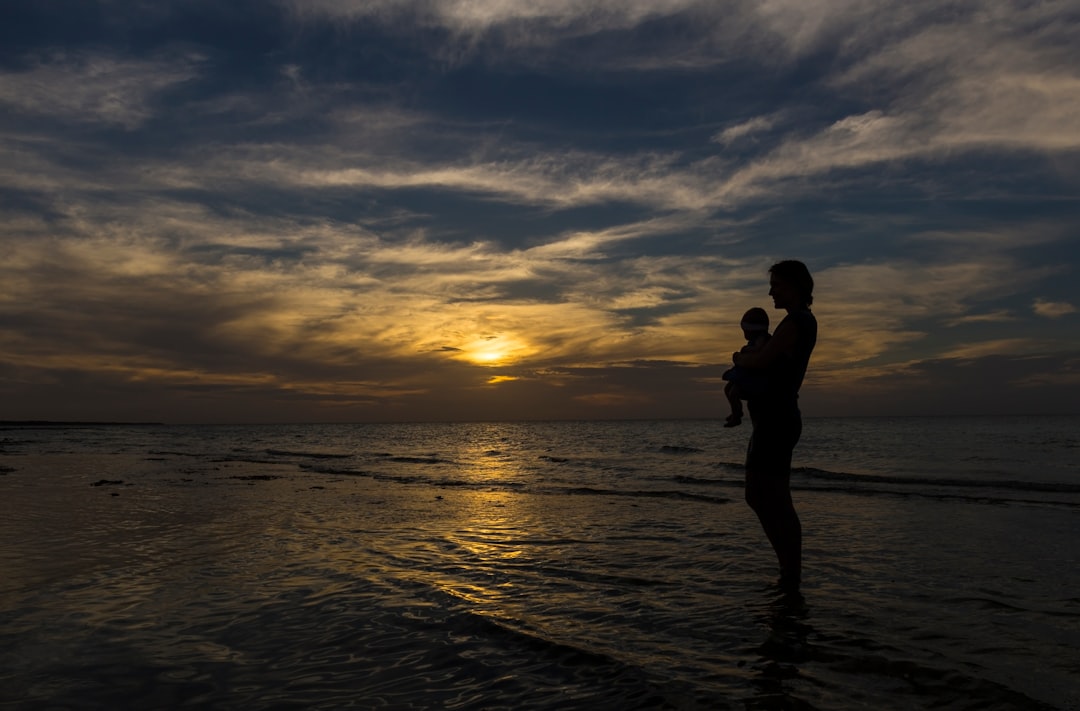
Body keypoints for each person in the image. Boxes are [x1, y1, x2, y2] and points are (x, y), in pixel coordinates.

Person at [732, 260, 817, 593]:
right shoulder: (789, 323)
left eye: (777, 285)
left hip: (779, 420)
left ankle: (791, 572)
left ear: (795, 286)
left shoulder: (797, 321)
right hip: (767, 420)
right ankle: (787, 569)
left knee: (777, 499)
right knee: (756, 495)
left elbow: (762, 360)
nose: (771, 291)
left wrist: (739, 359)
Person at [722, 307, 771, 428]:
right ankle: (735, 412)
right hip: (745, 371)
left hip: (751, 375)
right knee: (727, 389)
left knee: (733, 393)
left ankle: (737, 416)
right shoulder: (756, 339)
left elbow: (759, 350)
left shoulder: (762, 338)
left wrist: (745, 350)